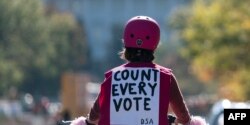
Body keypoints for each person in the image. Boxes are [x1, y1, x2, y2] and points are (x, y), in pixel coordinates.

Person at [70, 16, 207, 125]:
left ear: (126, 44)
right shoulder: (165, 77)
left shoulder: (112, 77)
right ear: (155, 44)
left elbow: (93, 117)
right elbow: (184, 118)